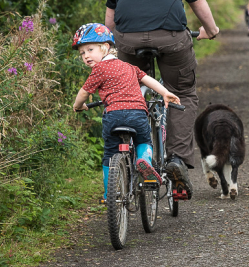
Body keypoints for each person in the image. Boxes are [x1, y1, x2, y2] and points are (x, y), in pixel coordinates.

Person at [104, 0, 220, 200]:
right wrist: (212, 29)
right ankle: (177, 159)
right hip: (171, 37)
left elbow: (112, 6)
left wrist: (109, 45)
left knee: (129, 90)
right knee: (182, 91)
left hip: (127, 38)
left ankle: (133, 150)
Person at [72, 23, 181, 204]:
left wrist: (78, 106)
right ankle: (144, 161)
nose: (86, 56)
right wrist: (164, 93)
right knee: (143, 140)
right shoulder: (129, 67)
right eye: (82, 53)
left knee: (109, 154)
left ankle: (110, 195)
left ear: (105, 47)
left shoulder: (98, 70)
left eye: (90, 50)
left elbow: (84, 93)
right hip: (138, 113)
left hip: (113, 116)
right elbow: (148, 80)